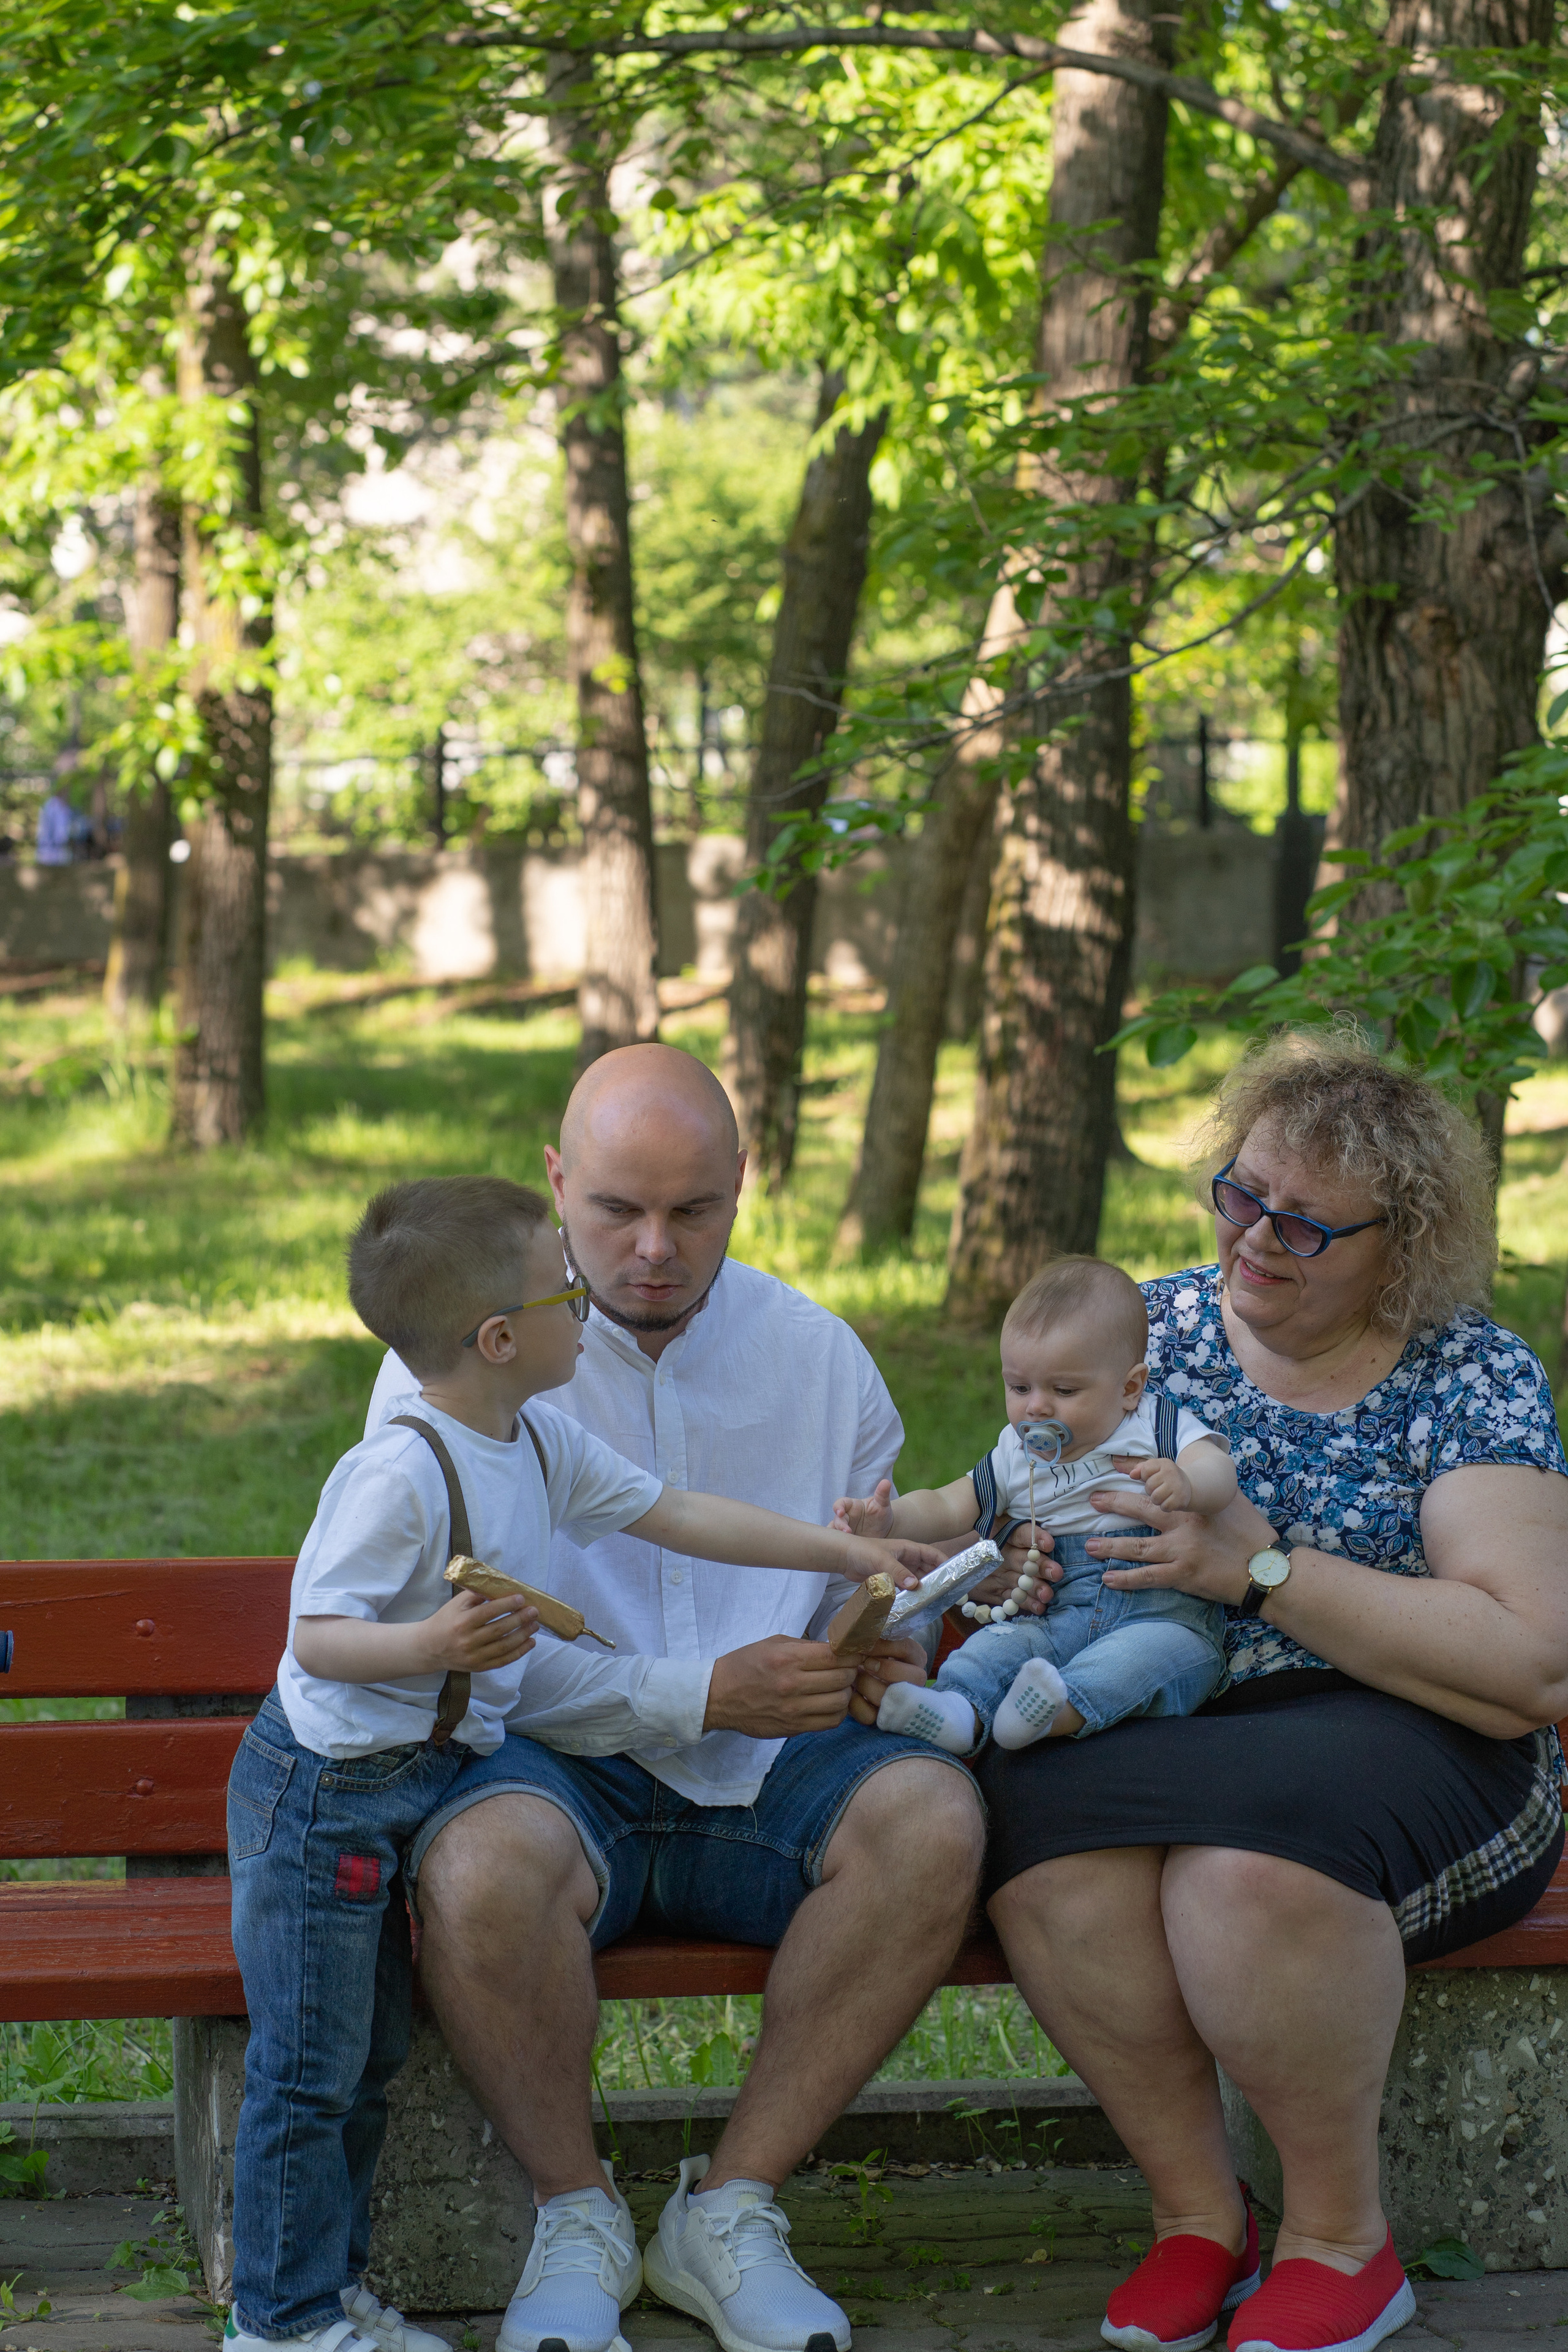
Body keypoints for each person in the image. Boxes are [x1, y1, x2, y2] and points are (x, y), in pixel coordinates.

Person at [227, 1174, 935, 2352]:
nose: (590, 1302)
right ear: (502, 1340)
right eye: (567, 1287)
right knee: (311, 2071)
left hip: (397, 1780)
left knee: (360, 2062)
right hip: (324, 1801)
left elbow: (678, 1513)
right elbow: (314, 1637)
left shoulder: (534, 1438)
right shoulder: (404, 1470)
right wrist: (435, 1644)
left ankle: (325, 2298)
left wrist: (852, 1550)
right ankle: (284, 2324)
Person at [362, 1046, 987, 2352]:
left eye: (693, 1211)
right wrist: (693, 1691)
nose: (653, 1248)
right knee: (477, 1867)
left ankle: (733, 2205)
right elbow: (464, 1645)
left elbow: (842, 1605)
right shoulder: (455, 1364)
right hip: (556, 1755)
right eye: (614, 1211)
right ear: (554, 1183)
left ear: (743, 1185)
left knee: (930, 1818)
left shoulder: (820, 1359)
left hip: (773, 1765)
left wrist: (872, 1648)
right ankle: (574, 2209)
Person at [951, 1032, 1568, 2352]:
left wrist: (1263, 1571)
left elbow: (1528, 1668)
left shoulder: (1465, 1376)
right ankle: (1194, 2218)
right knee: (1044, 1846)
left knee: (1239, 1872)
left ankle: (1341, 2242)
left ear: (1395, 1247)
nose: (1251, 1240)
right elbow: (1004, 1506)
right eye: (1239, 1193)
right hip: (1158, 1707)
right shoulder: (1144, 1337)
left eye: (1301, 1226)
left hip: (1414, 1735)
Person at [834, 1256, 1237, 1755]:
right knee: (995, 1650)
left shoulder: (1154, 1424)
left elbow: (1222, 1472)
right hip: (1057, 1611)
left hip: (1162, 1613)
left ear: (1129, 1387)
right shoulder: (1016, 1452)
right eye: (1019, 1387)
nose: (1036, 1407)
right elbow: (950, 1503)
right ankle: (958, 1711)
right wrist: (893, 1519)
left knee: (1150, 1660)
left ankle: (1054, 1712)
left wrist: (1189, 1483)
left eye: (1064, 1390)